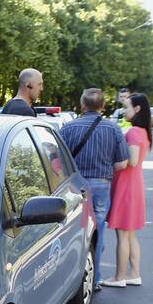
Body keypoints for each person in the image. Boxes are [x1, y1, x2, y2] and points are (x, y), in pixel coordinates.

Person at [59, 88, 129, 288]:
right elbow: (122, 163)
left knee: (71, 232)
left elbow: (56, 159)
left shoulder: (68, 128)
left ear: (82, 105)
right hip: (100, 186)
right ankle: (94, 279)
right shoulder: (113, 129)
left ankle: (68, 281)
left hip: (74, 185)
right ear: (103, 106)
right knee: (95, 232)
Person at [101, 92, 153, 288]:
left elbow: (130, 161)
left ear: (137, 109)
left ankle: (119, 277)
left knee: (122, 235)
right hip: (134, 185)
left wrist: (111, 163)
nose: (123, 111)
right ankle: (134, 274)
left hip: (126, 187)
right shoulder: (143, 132)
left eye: (127, 107)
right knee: (130, 234)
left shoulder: (133, 132)